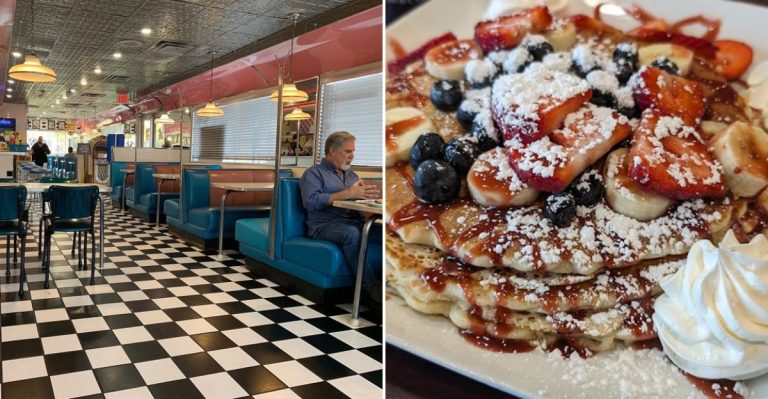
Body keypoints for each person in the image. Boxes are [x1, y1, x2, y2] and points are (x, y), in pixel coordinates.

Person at [299, 131, 381, 300]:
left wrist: (368, 196)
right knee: (351, 234)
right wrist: (348, 193)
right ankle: (370, 290)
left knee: (381, 231)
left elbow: (356, 199)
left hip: (355, 221)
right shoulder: (314, 173)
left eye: (353, 152)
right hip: (324, 226)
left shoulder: (352, 176)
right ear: (332, 151)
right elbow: (311, 201)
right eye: (348, 151)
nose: (352, 156)